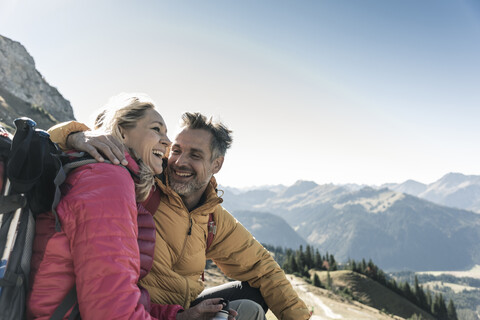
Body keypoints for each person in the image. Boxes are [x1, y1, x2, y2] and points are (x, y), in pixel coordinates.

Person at [49, 112, 311, 320]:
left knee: (253, 295)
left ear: (216, 164)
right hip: (140, 311)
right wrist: (76, 136)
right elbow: (59, 141)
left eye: (195, 155)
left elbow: (262, 267)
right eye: (176, 150)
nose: (179, 162)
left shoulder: (211, 218)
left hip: (185, 310)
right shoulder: (141, 183)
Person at [27, 94, 237, 320]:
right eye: (157, 129)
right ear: (122, 132)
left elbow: (116, 299)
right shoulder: (109, 181)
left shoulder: (107, 176)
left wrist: (181, 317)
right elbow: (111, 313)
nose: (167, 143)